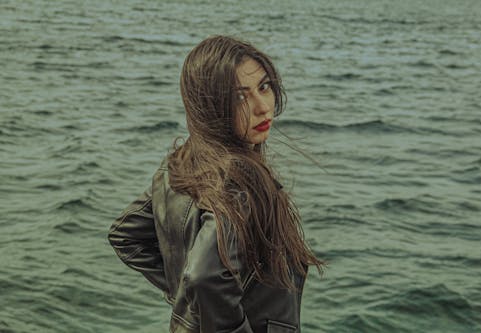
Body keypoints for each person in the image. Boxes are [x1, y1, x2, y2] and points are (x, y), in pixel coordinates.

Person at [108, 35, 324, 333]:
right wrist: (197, 298)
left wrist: (190, 303)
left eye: (264, 87)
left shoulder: (183, 166)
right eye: (240, 97)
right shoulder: (238, 184)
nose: (262, 107)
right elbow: (204, 277)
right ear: (210, 106)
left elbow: (125, 236)